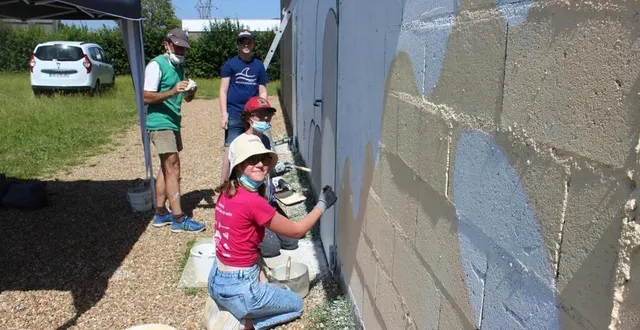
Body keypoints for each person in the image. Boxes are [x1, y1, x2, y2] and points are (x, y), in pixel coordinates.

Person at [209, 134, 337, 330]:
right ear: (238, 166)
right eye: (252, 159)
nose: (260, 164)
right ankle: (243, 322)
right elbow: (295, 231)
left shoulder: (227, 192)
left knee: (265, 287)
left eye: (265, 159)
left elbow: (242, 240)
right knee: (296, 304)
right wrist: (322, 204)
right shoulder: (253, 202)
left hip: (217, 279)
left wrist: (259, 274)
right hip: (240, 288)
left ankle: (228, 307)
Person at [143, 28, 205, 233]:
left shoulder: (180, 67)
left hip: (172, 122)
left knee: (165, 167)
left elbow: (185, 98)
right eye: (176, 46)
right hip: (160, 123)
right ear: (166, 44)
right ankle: (178, 218)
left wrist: (191, 92)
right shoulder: (155, 65)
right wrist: (172, 91)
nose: (180, 51)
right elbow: (146, 97)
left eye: (183, 48)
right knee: (173, 168)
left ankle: (160, 213)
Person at [228, 96, 299, 257]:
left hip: (267, 202)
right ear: (247, 117)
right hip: (250, 206)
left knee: (291, 242)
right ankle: (242, 232)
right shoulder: (239, 143)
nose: (265, 118)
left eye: (268, 114)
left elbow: (266, 173)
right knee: (272, 249)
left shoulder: (266, 140)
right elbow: (230, 179)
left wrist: (278, 177)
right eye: (259, 114)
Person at [219, 30, 270, 184]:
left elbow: (263, 90)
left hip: (253, 115)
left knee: (257, 148)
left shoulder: (258, 65)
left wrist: (263, 112)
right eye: (243, 42)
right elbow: (223, 90)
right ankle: (224, 185)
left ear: (253, 44)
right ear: (238, 45)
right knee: (230, 149)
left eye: (249, 42)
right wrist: (224, 114)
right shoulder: (230, 64)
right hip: (234, 113)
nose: (246, 45)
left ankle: (256, 185)